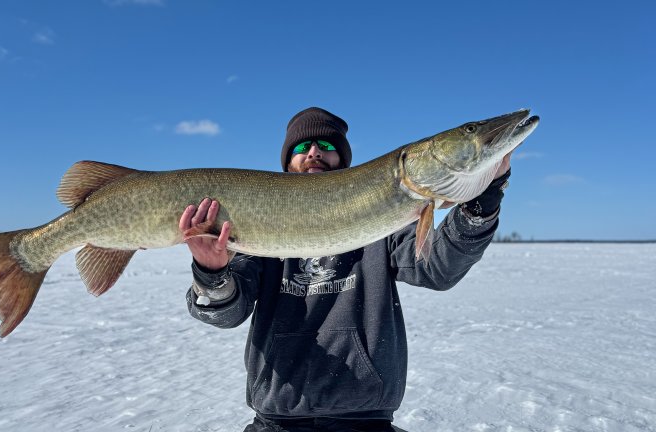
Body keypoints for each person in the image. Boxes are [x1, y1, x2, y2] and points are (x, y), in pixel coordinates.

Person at [180, 107, 511, 432]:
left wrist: (484, 200)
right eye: (302, 147)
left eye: (326, 146)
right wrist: (211, 274)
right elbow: (225, 313)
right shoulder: (257, 230)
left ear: (344, 161)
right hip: (277, 418)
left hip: (365, 418)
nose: (314, 153)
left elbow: (438, 269)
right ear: (287, 161)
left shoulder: (387, 220)